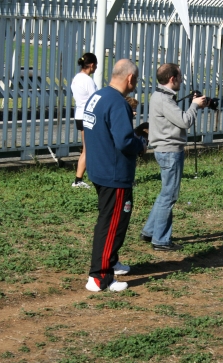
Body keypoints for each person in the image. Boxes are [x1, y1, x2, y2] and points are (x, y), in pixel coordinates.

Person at [83, 59, 146, 292]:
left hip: (99, 168)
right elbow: (124, 140)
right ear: (130, 78)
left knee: (110, 219)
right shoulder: (118, 103)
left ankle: (111, 262)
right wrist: (140, 144)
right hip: (114, 173)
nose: (136, 84)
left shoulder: (98, 97)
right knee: (112, 223)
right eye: (136, 80)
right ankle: (100, 277)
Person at [140, 63, 207, 251]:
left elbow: (177, 118)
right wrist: (194, 105)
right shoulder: (164, 99)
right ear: (172, 79)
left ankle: (150, 231)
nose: (182, 80)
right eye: (180, 77)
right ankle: (160, 240)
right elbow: (185, 121)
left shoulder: (159, 96)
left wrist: (195, 106)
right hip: (170, 151)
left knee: (165, 192)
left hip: (165, 150)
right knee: (169, 195)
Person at [70, 53, 99, 188]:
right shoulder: (87, 80)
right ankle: (78, 180)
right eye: (96, 65)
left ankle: (79, 179)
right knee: (89, 149)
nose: (96, 68)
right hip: (89, 116)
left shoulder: (76, 78)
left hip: (79, 115)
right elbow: (95, 99)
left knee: (87, 149)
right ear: (92, 65)